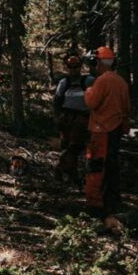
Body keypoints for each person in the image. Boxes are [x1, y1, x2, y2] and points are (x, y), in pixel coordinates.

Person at [83, 46, 130, 232]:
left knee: (95, 167)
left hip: (101, 130)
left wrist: (88, 91)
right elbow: (127, 108)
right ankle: (112, 202)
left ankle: (95, 207)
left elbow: (91, 103)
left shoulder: (101, 81)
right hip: (115, 131)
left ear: (99, 62)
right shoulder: (121, 82)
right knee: (112, 167)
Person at [53, 54, 95, 185]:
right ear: (67, 68)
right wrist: (57, 119)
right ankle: (71, 175)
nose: (74, 70)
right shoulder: (64, 83)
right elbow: (57, 101)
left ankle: (62, 169)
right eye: (71, 67)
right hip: (66, 119)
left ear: (80, 67)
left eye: (76, 67)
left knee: (75, 147)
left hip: (82, 119)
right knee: (69, 147)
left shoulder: (89, 81)